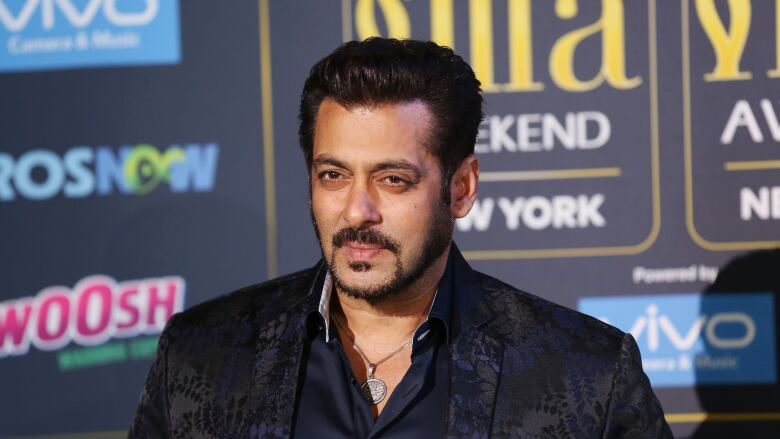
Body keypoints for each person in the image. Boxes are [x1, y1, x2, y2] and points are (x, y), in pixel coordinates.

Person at [130, 37, 672, 438]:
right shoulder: (202, 356)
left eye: (393, 179)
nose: (357, 211)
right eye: (333, 175)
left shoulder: (588, 375)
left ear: (460, 189)